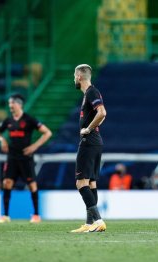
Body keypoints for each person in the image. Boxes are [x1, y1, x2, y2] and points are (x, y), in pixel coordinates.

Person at [0, 94, 52, 223]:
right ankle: (6, 216)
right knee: (6, 183)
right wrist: (2, 139)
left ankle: (36, 215)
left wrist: (35, 146)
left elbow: (47, 132)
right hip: (12, 157)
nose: (10, 106)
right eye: (9, 104)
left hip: (26, 157)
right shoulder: (8, 121)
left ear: (19, 104)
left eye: (12, 104)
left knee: (32, 185)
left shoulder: (29, 119)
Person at [70, 64, 107, 233]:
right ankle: (90, 222)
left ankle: (98, 220)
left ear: (79, 77)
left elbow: (102, 113)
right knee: (91, 183)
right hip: (94, 142)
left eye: (74, 76)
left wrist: (88, 129)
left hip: (89, 141)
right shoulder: (89, 94)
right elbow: (100, 115)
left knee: (80, 183)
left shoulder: (91, 92)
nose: (74, 79)